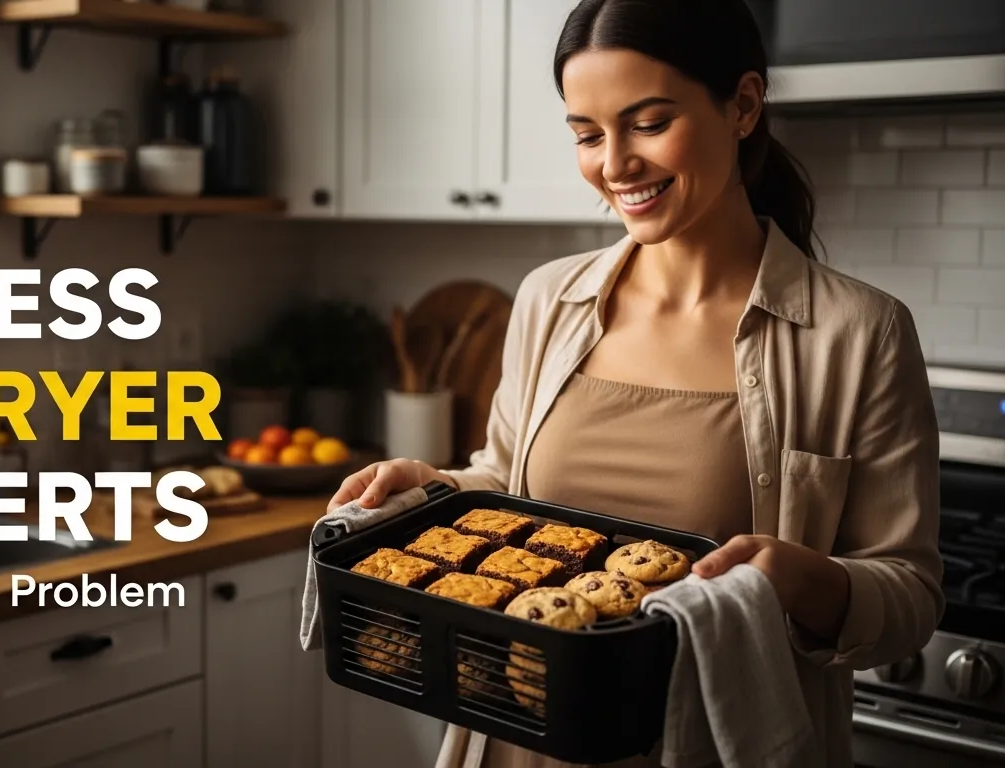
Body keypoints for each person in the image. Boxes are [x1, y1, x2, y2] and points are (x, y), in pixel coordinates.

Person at [326, 0, 944, 766]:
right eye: (587, 134)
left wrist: (797, 577)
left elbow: (910, 597)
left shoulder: (859, 334)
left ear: (743, 106)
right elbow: (505, 480)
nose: (614, 164)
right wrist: (436, 486)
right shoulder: (550, 299)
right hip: (520, 738)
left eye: (648, 124)